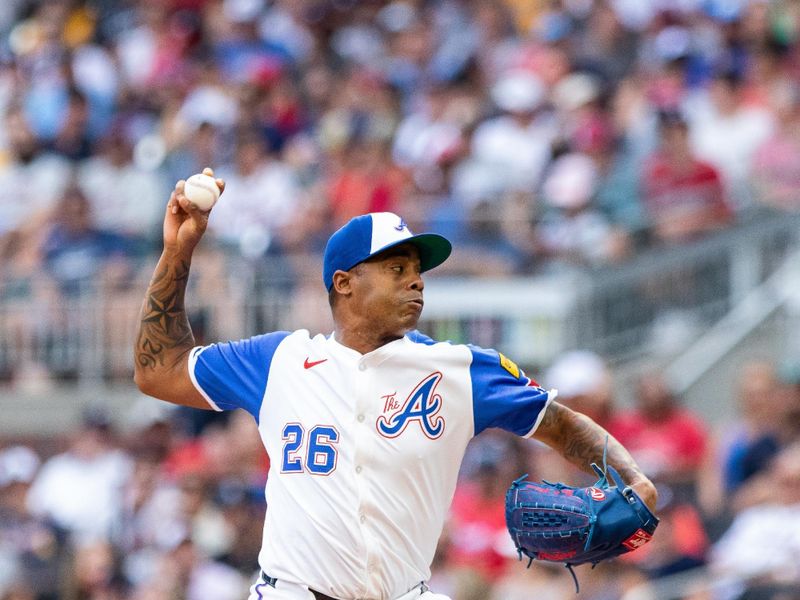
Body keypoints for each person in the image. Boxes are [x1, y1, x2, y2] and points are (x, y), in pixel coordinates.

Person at [133, 168, 657, 600]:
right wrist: (178, 253)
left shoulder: (459, 369)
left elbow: (560, 425)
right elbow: (158, 371)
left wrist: (631, 477)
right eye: (396, 266)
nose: (417, 279)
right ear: (344, 282)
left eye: (418, 269)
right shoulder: (279, 360)